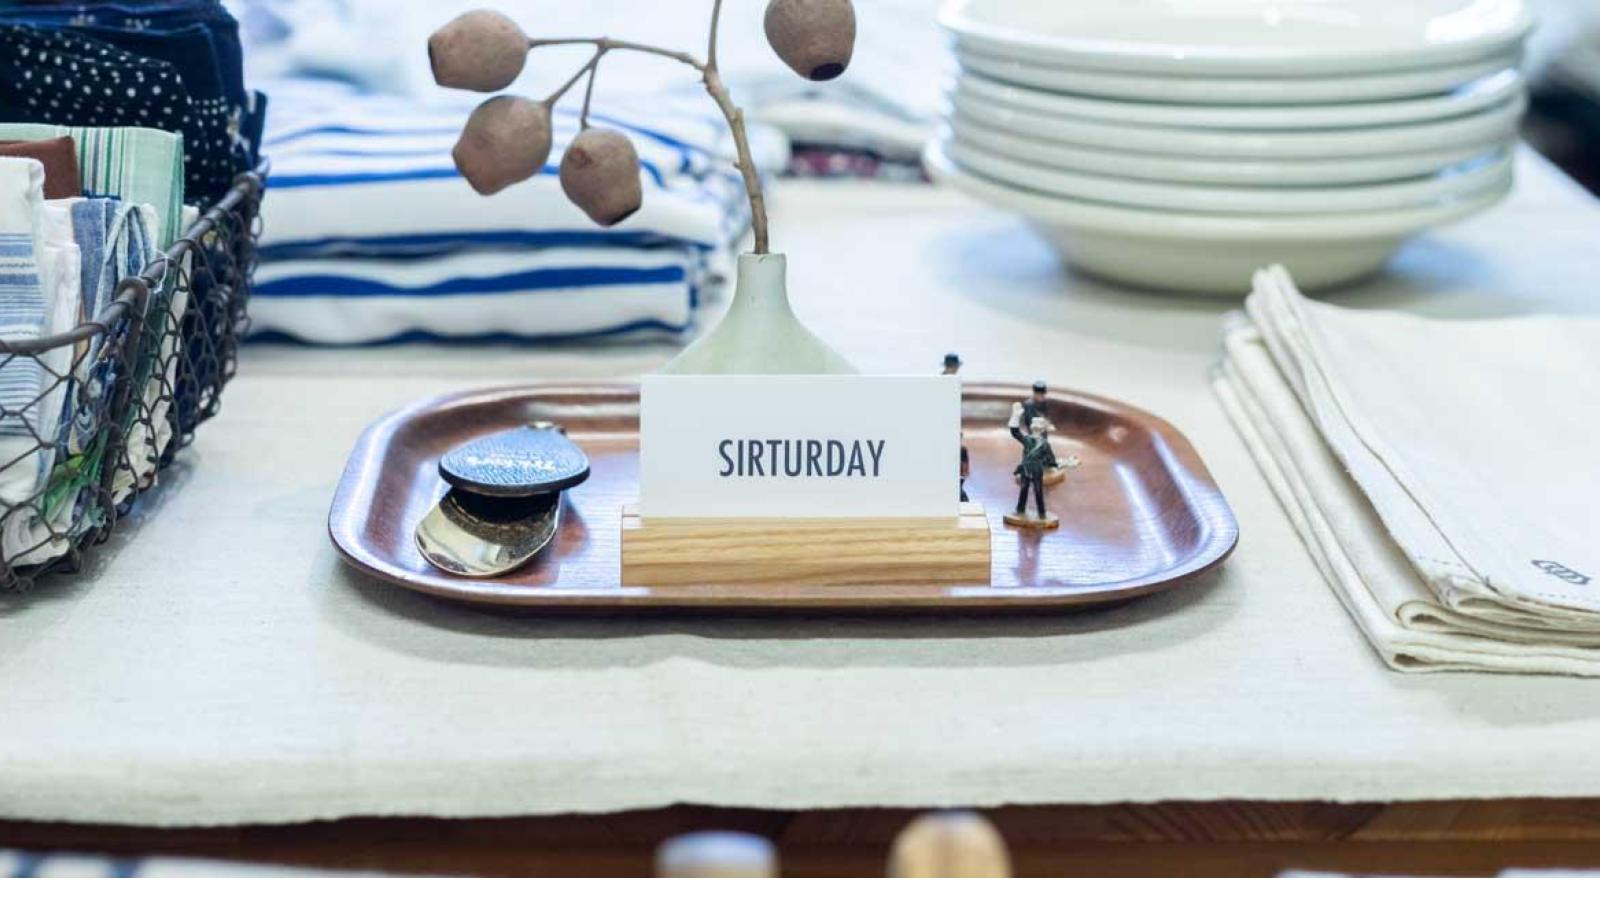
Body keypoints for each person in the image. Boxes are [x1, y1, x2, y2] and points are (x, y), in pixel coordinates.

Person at [1011, 415, 1058, 524]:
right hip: (1026, 468)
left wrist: (1050, 464)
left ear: (1042, 429)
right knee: (1024, 489)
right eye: (1035, 424)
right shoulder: (1026, 439)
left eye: (1039, 425)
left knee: (1038, 491)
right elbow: (1015, 433)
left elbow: (1051, 458)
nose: (1036, 427)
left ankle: (1041, 513)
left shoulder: (1045, 444)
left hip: (1037, 469)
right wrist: (1015, 416)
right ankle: (1020, 509)